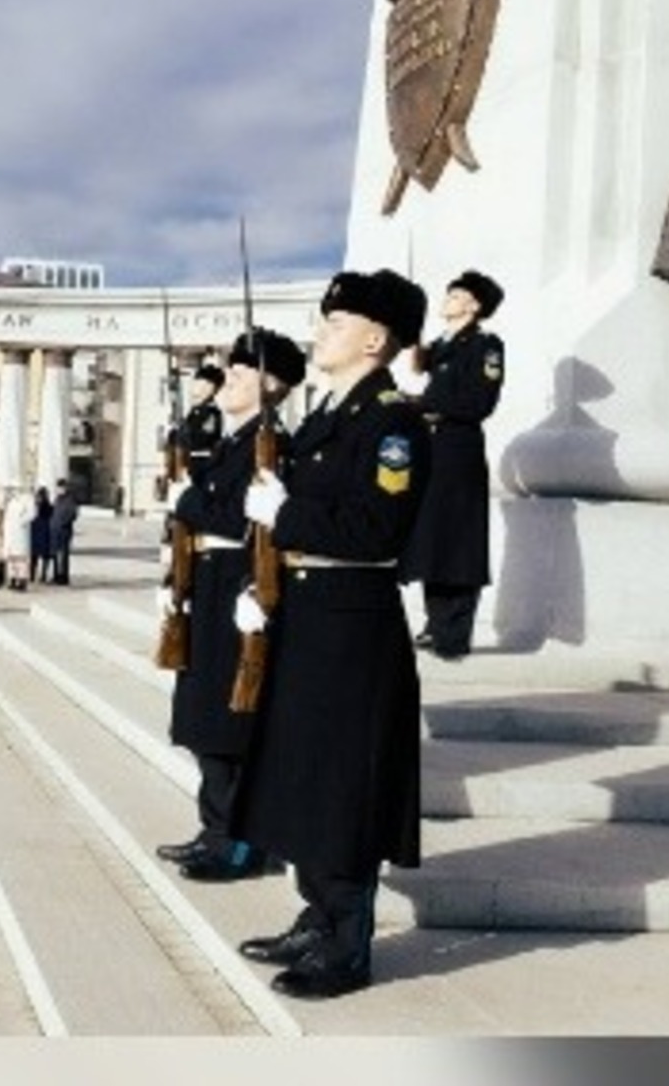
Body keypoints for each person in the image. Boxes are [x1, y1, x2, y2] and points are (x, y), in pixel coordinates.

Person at [231, 268, 430, 1001]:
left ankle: (348, 943)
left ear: (375, 339)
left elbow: (380, 529)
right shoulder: (326, 417)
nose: (320, 332)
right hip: (308, 616)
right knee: (306, 772)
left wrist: (288, 516)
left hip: (352, 623)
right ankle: (317, 913)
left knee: (344, 781)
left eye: (334, 322)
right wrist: (264, 581)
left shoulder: (392, 422)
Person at [154, 327, 308, 883]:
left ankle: (242, 844)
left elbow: (247, 522)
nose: (227, 379)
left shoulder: (271, 445)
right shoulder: (230, 442)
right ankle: (215, 830)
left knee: (229, 724)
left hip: (241, 589)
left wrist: (189, 500)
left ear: (270, 384)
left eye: (241, 372)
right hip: (210, 585)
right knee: (203, 720)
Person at [399, 269, 506, 660]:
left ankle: (455, 632)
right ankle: (435, 623)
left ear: (474, 305)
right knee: (432, 537)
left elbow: (481, 403)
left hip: (459, 449)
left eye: (455, 294)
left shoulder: (485, 346)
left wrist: (422, 404)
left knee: (458, 540)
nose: (447, 298)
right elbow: (422, 367)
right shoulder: (444, 346)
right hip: (432, 447)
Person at [179, 362, 227, 478]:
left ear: (213, 390)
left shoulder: (211, 413)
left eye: (205, 386)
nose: (198, 390)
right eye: (197, 384)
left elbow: (201, 439)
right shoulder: (194, 412)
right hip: (190, 464)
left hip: (203, 467)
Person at [1, 486, 34, 592]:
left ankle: (22, 580)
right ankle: (13, 578)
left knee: (21, 559)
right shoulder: (10, 501)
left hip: (20, 533)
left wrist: (21, 522)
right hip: (10, 534)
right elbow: (6, 516)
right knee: (11, 559)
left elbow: (32, 514)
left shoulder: (27, 499)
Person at [49, 478, 79, 585]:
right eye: (57, 487)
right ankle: (56, 575)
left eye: (60, 487)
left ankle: (63, 577)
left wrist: (63, 523)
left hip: (64, 531)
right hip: (55, 530)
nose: (58, 490)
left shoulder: (70, 499)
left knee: (63, 555)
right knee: (55, 554)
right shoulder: (57, 499)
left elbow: (73, 514)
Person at [29, 486, 54, 584]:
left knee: (36, 557)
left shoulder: (36, 507)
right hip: (43, 534)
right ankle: (40, 575)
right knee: (42, 557)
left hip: (40, 533)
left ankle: (34, 575)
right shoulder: (49, 507)